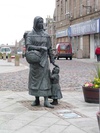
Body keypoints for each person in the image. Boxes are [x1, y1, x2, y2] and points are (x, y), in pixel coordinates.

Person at [25, 16, 55, 108]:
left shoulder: (46, 35)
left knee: (45, 80)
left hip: (44, 61)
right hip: (35, 61)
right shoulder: (30, 35)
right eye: (39, 22)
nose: (41, 24)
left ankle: (46, 100)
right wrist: (39, 48)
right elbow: (28, 46)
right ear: (35, 23)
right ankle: (36, 99)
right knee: (35, 81)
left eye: (42, 22)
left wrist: (53, 60)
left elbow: (50, 48)